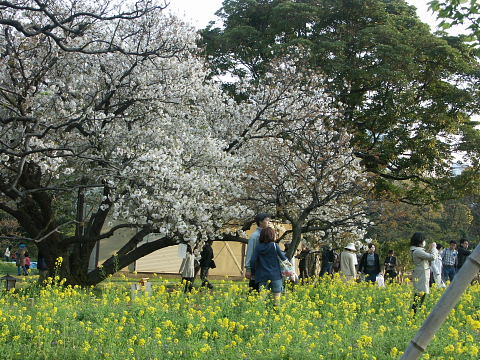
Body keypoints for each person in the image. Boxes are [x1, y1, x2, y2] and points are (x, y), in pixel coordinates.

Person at [251, 227, 288, 306]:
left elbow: (252, 261)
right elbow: (283, 259)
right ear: (272, 235)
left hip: (262, 276)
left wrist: (253, 273)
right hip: (275, 276)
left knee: (262, 301)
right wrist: (291, 269)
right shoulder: (274, 246)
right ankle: (276, 315)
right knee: (276, 302)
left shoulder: (258, 247)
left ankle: (262, 316)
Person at [410, 232, 435, 314]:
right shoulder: (417, 251)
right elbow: (432, 257)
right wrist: (434, 248)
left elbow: (425, 255)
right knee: (420, 295)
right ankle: (414, 314)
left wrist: (429, 249)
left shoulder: (416, 250)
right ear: (420, 241)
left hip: (421, 274)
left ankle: (415, 314)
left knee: (420, 295)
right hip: (421, 275)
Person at [245, 213, 271, 291]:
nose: (269, 222)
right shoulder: (255, 236)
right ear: (260, 222)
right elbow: (250, 252)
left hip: (266, 268)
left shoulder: (268, 235)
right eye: (267, 220)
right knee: (255, 289)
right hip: (257, 268)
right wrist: (248, 269)